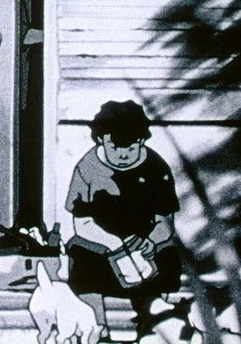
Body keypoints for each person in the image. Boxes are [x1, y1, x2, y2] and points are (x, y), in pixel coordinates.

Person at [56, 100, 189, 342]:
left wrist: (151, 240)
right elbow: (82, 223)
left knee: (167, 257)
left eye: (130, 148)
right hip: (102, 244)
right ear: (101, 140)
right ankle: (97, 328)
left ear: (141, 141)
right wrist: (115, 245)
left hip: (144, 244)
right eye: (115, 148)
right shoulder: (87, 168)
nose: (123, 155)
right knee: (82, 260)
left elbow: (165, 220)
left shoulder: (156, 167)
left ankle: (152, 323)